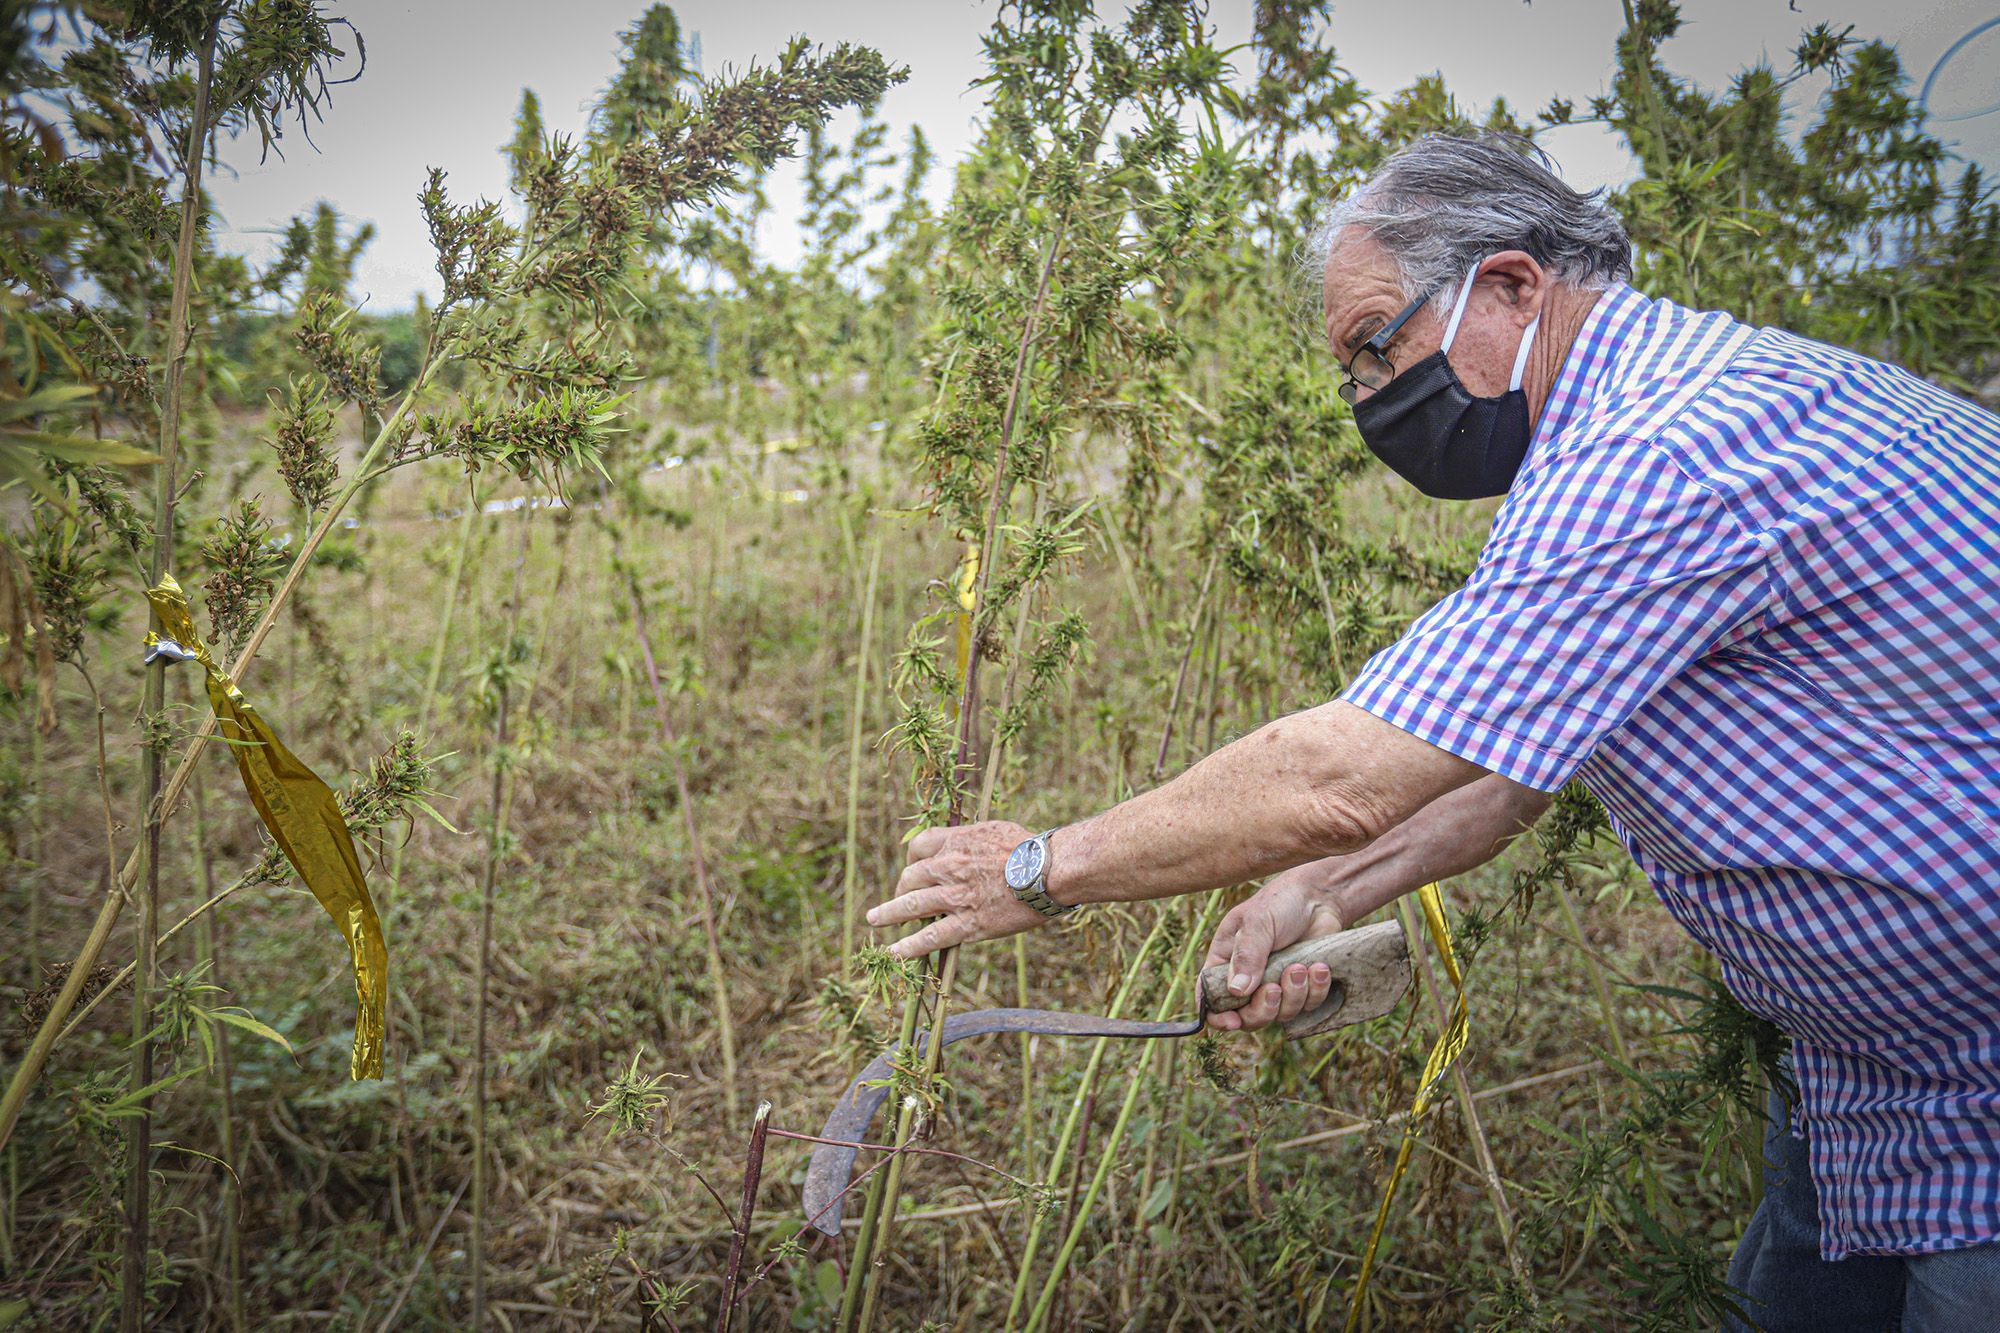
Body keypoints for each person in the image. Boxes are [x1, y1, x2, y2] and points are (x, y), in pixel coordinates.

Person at [862, 132, 2000, 1329]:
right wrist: (1319, 894)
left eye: (1373, 346)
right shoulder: (1669, 405)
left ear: (1509, 286)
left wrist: (1041, 867)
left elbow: (1341, 774)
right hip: (1872, 1083)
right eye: (1350, 372)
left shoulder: (1659, 452)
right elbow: (1513, 766)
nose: (1367, 398)